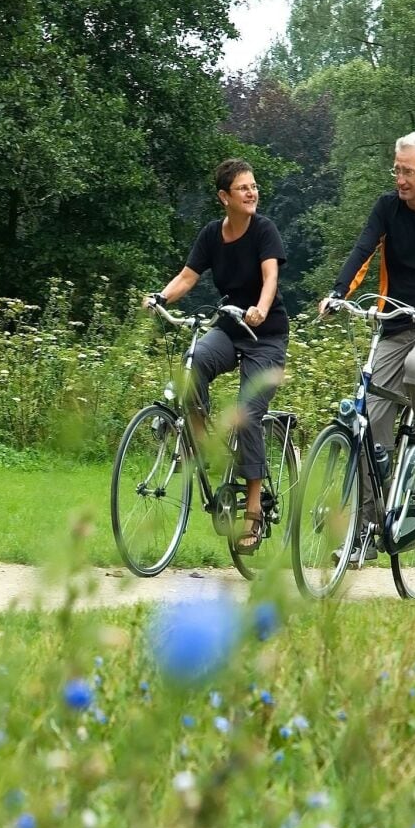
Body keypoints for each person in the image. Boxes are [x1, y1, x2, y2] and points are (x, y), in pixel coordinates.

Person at [319, 130, 415, 563]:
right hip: (392, 328)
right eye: (396, 170)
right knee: (370, 429)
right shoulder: (386, 208)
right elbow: (363, 249)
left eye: (407, 171)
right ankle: (364, 532)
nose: (399, 179)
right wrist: (338, 291)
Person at [144, 158, 288, 553]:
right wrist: (160, 297)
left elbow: (270, 276)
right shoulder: (212, 235)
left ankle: (253, 510)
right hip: (229, 328)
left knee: (246, 413)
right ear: (224, 197)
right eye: (244, 188)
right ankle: (204, 442)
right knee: (190, 366)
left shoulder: (264, 231)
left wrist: (260, 307)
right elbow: (188, 276)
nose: (252, 193)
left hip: (265, 335)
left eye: (254, 186)